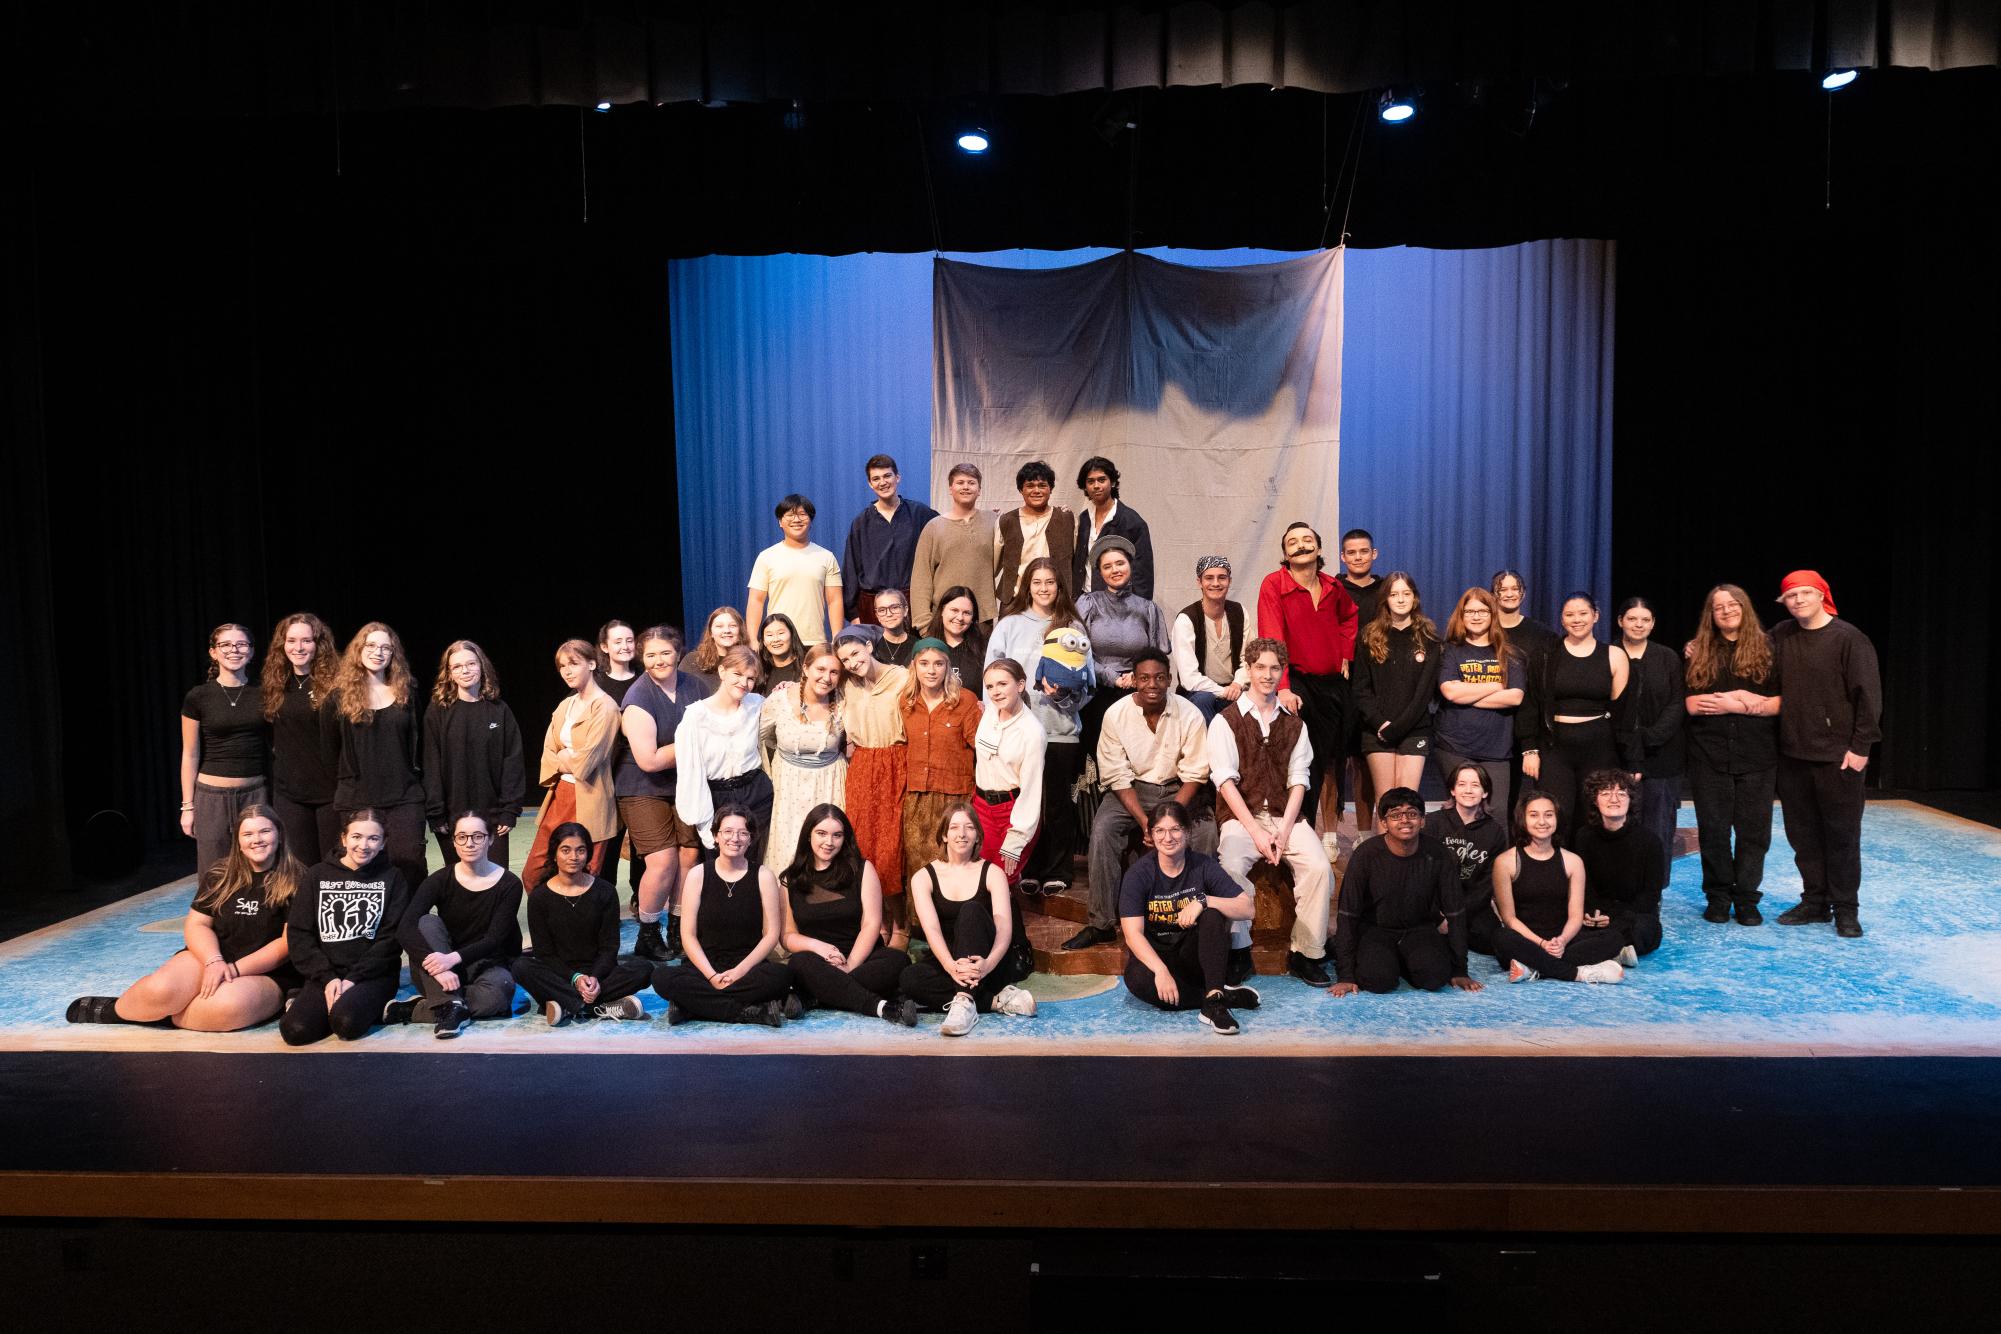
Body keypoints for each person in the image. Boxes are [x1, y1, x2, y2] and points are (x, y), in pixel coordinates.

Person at [67, 804, 302, 1031]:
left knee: (223, 1007)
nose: (256, 839)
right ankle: (118, 1010)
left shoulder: (298, 879)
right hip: (213, 957)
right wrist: (214, 961)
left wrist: (234, 970)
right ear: (238, 843)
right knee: (161, 990)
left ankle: (158, 1017)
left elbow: (286, 944)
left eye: (265, 831)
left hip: (267, 972)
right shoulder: (220, 875)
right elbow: (197, 924)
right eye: (248, 833)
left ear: (279, 835)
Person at [1208, 637, 1336, 988]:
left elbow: (1299, 781)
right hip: (1241, 817)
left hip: (1286, 816)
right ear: (1248, 670)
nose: (1267, 675)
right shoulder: (1226, 721)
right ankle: (1239, 950)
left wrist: (1282, 831)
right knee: (1231, 866)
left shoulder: (1295, 724)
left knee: (1320, 868)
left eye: (1274, 668)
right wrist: (1256, 832)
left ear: (1283, 672)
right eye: (1260, 667)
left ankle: (1306, 953)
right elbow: (1225, 782)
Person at [1067, 649, 1213, 951]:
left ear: (1170, 680)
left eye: (1160, 678)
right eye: (1144, 678)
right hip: (1132, 790)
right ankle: (1102, 923)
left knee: (1205, 833)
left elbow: (1195, 773)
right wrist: (1146, 822)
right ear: (1134, 680)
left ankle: (1199, 914)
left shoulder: (1189, 714)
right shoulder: (1116, 714)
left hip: (1178, 790)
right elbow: (1116, 775)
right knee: (1104, 830)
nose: (1152, 685)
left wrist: (1168, 819)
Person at [1769, 570, 1881, 938]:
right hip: (1793, 755)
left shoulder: (1849, 638)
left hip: (1838, 757)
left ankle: (1846, 909)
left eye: (1805, 593)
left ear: (1822, 596)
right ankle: (1815, 902)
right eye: (1791, 595)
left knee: (1842, 837)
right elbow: (1745, 652)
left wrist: (1861, 747)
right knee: (1803, 837)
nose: (1798, 600)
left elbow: (1869, 696)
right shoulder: (1782, 636)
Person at [987, 556, 1095, 894]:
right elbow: (991, 679)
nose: (1044, 588)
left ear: (1059, 586)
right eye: (1037, 582)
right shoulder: (1009, 624)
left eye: (1050, 582)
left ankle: (1057, 869)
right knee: (1023, 802)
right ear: (1027, 586)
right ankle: (1027, 866)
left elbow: (1089, 685)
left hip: (1060, 730)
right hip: (1017, 732)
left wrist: (1063, 697)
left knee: (1060, 804)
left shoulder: (1073, 627)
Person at [1682, 583, 1782, 926]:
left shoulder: (1769, 649)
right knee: (1713, 830)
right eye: (1718, 607)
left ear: (1745, 607)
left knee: (1754, 832)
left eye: (1732, 604)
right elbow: (1694, 703)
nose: (1725, 611)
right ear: (1710, 614)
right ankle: (1719, 896)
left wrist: (1731, 700)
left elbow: (1779, 703)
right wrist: (1743, 702)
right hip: (1708, 754)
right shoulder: (1699, 651)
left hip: (1758, 755)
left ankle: (1747, 898)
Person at [1118, 801, 1259, 1034]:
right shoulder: (1138, 874)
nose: (1168, 837)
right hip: (1159, 956)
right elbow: (1133, 935)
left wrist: (1204, 901)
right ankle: (1219, 997)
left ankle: (1214, 1001)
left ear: (1187, 832)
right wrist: (1161, 971)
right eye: (1160, 831)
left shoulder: (1202, 865)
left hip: (1195, 956)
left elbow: (1247, 908)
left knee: (1213, 914)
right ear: (1151, 835)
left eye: (1175, 829)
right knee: (1135, 979)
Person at [617, 625, 712, 961]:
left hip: (685, 784)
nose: (659, 660)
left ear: (678, 653)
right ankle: (648, 932)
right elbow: (649, 759)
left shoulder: (694, 686)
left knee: (689, 855)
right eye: (651, 654)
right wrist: (692, 743)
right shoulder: (639, 697)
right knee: (662, 860)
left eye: (666, 653)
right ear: (642, 659)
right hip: (643, 787)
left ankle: (678, 928)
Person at [900, 803, 1038, 1035]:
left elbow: (1004, 929)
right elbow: (932, 930)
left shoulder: (993, 873)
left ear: (977, 836)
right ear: (944, 835)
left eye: (969, 828)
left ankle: (964, 1001)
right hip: (953, 961)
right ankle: (995, 1001)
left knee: (971, 911)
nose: (961, 834)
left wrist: (988, 965)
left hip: (990, 960)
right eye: (954, 827)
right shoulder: (923, 877)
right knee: (909, 979)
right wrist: (951, 967)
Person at [653, 806, 796, 1027]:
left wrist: (739, 972)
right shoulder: (698, 875)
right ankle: (752, 1012)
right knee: (661, 978)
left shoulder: (763, 876)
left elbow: (771, 935)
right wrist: (711, 976)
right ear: (716, 836)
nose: (735, 838)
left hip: (748, 966)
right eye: (728, 831)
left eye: (743, 833)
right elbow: (688, 935)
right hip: (704, 966)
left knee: (782, 976)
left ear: (750, 839)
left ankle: (693, 1007)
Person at [1331, 789, 1482, 997]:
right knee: (1377, 981)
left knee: (1434, 978)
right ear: (1384, 822)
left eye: (1412, 814)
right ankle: (1388, 960)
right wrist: (1346, 975)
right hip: (1376, 929)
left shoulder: (1438, 854)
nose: (1405, 820)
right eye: (1395, 815)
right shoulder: (1366, 855)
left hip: (1419, 928)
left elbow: (1455, 913)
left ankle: (1405, 960)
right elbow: (1347, 914)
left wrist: (1460, 970)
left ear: (1422, 820)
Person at [387, 811, 524, 1039]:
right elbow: (405, 927)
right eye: (462, 837)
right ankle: (449, 1003)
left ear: (490, 839)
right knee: (426, 922)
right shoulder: (439, 879)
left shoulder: (509, 883)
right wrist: (437, 968)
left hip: (484, 964)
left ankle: (423, 1008)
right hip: (441, 971)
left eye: (477, 836)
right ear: (454, 842)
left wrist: (451, 959)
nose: (469, 843)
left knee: (499, 995)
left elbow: (494, 939)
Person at [281, 807, 412, 1044]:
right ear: (344, 838)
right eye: (356, 837)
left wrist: (354, 978)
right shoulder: (317, 875)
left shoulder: (393, 877)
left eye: (373, 838)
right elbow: (300, 933)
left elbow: (391, 939)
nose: (364, 845)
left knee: (346, 1023)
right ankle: (305, 997)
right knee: (295, 1031)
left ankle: (374, 1005)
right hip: (326, 974)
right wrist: (327, 977)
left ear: (383, 843)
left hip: (372, 975)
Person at [1256, 522, 1357, 828]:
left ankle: (1325, 834)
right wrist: (1283, 688)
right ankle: (1299, 832)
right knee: (1303, 763)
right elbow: (1272, 639)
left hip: (1331, 685)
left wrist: (1345, 653)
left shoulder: (1333, 586)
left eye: (1307, 540)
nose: (1301, 545)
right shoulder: (1274, 584)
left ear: (1319, 548)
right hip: (1296, 683)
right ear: (1285, 553)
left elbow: (1349, 616)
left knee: (1331, 760)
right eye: (1293, 542)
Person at [780, 804, 915, 1024]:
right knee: (799, 963)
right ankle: (881, 1007)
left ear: (845, 838)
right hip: (817, 961)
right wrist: (820, 948)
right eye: (821, 834)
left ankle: (817, 995)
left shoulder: (862, 869)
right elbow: (787, 935)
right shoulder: (790, 879)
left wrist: (851, 963)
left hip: (862, 957)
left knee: (897, 960)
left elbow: (871, 924)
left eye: (837, 835)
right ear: (808, 835)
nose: (829, 842)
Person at [514, 822, 652, 1025]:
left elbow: (609, 947)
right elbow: (545, 953)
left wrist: (594, 978)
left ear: (588, 854)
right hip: (559, 974)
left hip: (600, 973)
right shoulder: (540, 897)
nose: (573, 857)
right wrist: (575, 978)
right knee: (520, 966)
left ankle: (566, 1005)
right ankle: (600, 1007)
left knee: (644, 968)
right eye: (566, 850)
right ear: (554, 854)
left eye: (580, 850)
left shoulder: (604, 891)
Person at [1522, 593, 1632, 841]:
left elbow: (1622, 712)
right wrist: (1529, 749)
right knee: (1557, 815)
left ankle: (1589, 877)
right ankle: (1560, 874)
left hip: (1599, 747)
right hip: (1555, 749)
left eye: (1583, 613)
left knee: (1593, 816)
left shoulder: (1614, 655)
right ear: (1561, 619)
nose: (1576, 619)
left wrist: (1630, 759)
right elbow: (1532, 704)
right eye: (1569, 614)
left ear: (1596, 616)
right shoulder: (1546, 655)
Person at [328, 622, 427, 892]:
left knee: (410, 867)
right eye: (371, 645)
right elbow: (331, 748)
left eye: (386, 647)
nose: (378, 652)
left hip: (404, 796)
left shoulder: (407, 692)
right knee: (360, 871)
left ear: (394, 654)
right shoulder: (340, 696)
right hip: (357, 797)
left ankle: (410, 929)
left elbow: (420, 745)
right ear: (358, 650)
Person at [1490, 792, 1625, 984]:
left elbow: (1576, 916)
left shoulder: (1573, 861)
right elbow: (1509, 919)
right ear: (1523, 820)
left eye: (1549, 814)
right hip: (1526, 941)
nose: (1542, 821)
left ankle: (1535, 969)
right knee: (1500, 937)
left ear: (1556, 818)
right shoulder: (1505, 862)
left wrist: (1561, 941)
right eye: (1534, 815)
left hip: (1564, 941)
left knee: (1614, 938)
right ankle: (1579, 973)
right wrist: (1541, 943)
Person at [520, 639, 622, 892]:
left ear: (591, 663)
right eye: (562, 666)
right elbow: (547, 753)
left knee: (585, 874)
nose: (567, 671)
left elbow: (587, 761)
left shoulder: (606, 707)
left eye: (573, 664)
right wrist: (567, 758)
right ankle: (551, 923)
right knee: (534, 872)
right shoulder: (566, 705)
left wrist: (566, 758)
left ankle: (582, 928)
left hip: (590, 798)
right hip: (561, 796)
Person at [420, 639, 526, 872]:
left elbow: (513, 762)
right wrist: (436, 814)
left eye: (471, 664)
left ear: (482, 666)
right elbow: (431, 764)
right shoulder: (438, 712)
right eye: (457, 666)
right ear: (449, 673)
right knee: (459, 885)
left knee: (495, 882)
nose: (465, 670)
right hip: (451, 817)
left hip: (493, 818)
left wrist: (509, 810)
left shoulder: (499, 710)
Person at [835, 628, 911, 940]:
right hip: (863, 766)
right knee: (863, 847)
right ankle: (875, 921)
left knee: (892, 849)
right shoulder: (846, 686)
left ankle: (901, 924)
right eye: (845, 660)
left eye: (854, 653)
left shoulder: (902, 677)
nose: (851, 663)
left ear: (868, 646)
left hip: (896, 763)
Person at [179, 622, 270, 876]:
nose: (234, 650)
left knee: (259, 870)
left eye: (241, 644)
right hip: (211, 797)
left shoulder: (264, 693)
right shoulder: (198, 696)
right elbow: (190, 753)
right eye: (226, 645)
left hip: (255, 794)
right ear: (213, 652)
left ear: (251, 652)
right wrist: (188, 807)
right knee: (214, 873)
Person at [1433, 587, 1525, 828]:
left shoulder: (1510, 654)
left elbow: (1515, 697)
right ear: (1461, 615)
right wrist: (1495, 684)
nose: (1476, 616)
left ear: (1492, 614)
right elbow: (1450, 692)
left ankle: (1498, 867)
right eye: (1470, 611)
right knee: (1458, 813)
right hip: (1454, 745)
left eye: (1482, 611)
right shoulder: (1450, 650)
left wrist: (1467, 693)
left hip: (1496, 748)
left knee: (1496, 815)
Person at [673, 645, 774, 863]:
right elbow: (691, 774)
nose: (744, 683)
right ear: (722, 672)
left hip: (755, 792)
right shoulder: (696, 716)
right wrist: (704, 822)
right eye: (737, 674)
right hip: (717, 796)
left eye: (750, 678)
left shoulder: (757, 704)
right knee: (720, 863)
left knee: (751, 862)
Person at [759, 642, 848, 877]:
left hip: (830, 784)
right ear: (806, 668)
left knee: (827, 850)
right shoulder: (779, 701)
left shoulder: (843, 702)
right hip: (788, 786)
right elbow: (759, 738)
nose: (826, 677)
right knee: (787, 852)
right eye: (820, 669)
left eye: (834, 672)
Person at [1075, 535, 1170, 756]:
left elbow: (1159, 656)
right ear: (1100, 572)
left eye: (1120, 563)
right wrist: (1111, 677)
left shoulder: (1148, 609)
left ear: (1130, 565)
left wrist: (1137, 677)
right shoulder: (1089, 603)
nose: (1115, 570)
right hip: (1096, 691)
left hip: (1139, 689)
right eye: (1107, 566)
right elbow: (1079, 652)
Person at [1352, 572, 1442, 802]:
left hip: (1414, 729)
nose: (1401, 599)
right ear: (1386, 600)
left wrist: (1398, 728)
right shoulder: (1369, 636)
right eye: (1394, 594)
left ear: (1415, 598)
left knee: (1406, 802)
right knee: (1386, 800)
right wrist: (1380, 723)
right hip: (1377, 730)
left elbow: (1424, 694)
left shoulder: (1429, 637)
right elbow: (1361, 689)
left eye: (1406, 593)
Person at [899, 639, 982, 887]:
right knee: (918, 866)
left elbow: (981, 745)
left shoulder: (965, 701)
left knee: (954, 863)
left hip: (954, 795)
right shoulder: (906, 701)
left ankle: (955, 921)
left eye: (938, 664)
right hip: (916, 796)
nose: (931, 670)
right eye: (924, 664)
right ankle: (919, 924)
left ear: (948, 667)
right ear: (914, 667)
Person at [1615, 596, 1686, 884]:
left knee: (1658, 826)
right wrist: (1629, 746)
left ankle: (1653, 890)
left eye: (1645, 620)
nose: (1638, 625)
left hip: (1662, 757)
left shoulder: (1667, 657)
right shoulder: (1607, 652)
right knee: (1618, 824)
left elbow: (1677, 702)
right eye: (1632, 619)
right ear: (1620, 621)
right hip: (1617, 754)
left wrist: (1649, 738)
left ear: (1653, 624)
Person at [261, 611, 340, 865]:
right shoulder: (275, 684)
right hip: (290, 794)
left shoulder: (336, 686)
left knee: (332, 864)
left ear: (319, 645)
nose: (299, 647)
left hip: (332, 792)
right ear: (282, 645)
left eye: (306, 641)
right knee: (299, 867)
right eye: (292, 641)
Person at [1570, 770, 1664, 960]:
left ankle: (1601, 948)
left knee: (1646, 930)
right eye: (1605, 793)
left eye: (1621, 793)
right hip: (1596, 915)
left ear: (1631, 801)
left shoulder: (1650, 841)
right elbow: (1582, 885)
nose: (1614, 799)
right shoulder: (1583, 837)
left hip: (1631, 914)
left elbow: (1650, 895)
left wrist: (1612, 917)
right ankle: (1614, 952)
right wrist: (1591, 912)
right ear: (1595, 800)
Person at [973, 658, 1047, 887]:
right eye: (990, 686)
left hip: (1012, 814)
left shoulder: (1032, 732)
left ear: (1021, 685)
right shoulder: (988, 714)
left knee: (1002, 881)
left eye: (1002, 684)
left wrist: (1017, 838)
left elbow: (1032, 790)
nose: (995, 692)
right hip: (981, 807)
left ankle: (1006, 924)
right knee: (979, 878)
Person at [840, 453, 936, 627]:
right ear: (870, 484)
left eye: (887, 476)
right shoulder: (861, 523)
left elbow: (946, 537)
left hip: (913, 603)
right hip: (872, 606)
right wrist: (854, 614)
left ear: (897, 477)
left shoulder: (920, 514)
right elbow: (851, 569)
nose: (882, 482)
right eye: (876, 478)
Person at [1424, 762, 1510, 959]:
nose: (1468, 790)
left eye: (1476, 785)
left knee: (1498, 942)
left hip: (1470, 907)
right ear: (1453, 790)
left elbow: (1487, 885)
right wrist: (1438, 916)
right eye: (1462, 784)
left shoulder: (1494, 831)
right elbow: (1422, 876)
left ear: (1485, 792)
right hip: (1434, 906)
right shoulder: (1433, 823)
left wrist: (1456, 917)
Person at [745, 493, 845, 648]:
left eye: (802, 514)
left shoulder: (826, 557)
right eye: (790, 515)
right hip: (777, 641)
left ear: (811, 521)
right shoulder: (766, 557)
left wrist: (837, 638)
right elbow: (756, 600)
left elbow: (834, 601)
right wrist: (752, 639)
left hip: (815, 642)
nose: (796, 520)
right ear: (780, 522)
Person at [910, 463, 998, 632]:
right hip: (944, 618)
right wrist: (924, 625)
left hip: (982, 619)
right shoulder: (934, 527)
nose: (966, 487)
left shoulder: (993, 521)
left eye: (971, 483)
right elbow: (921, 579)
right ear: (950, 488)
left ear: (979, 490)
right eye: (960, 482)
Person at [1171, 555, 1250, 723]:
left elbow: (1249, 659)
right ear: (1199, 582)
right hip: (1198, 693)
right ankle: (1210, 747)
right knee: (1204, 700)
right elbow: (1189, 678)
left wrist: (1237, 684)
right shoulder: (1187, 619)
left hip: (1235, 688)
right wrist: (1223, 692)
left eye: (1222, 577)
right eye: (1209, 578)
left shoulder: (1239, 612)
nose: (1216, 583)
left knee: (1261, 698)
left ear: (1229, 581)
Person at [1071, 456, 1155, 599]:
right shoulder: (1084, 518)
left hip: (1119, 603)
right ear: (1085, 486)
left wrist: (1140, 610)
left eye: (1101, 480)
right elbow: (1080, 564)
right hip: (1084, 599)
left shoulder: (1132, 522)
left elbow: (1143, 576)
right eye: (1090, 481)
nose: (1096, 485)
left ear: (1113, 482)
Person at [995, 459, 1075, 607]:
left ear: (1050, 488)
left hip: (1055, 601)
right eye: (1030, 486)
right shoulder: (1007, 521)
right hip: (1015, 600)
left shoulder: (1067, 519)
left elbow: (1076, 560)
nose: (1036, 491)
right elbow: (994, 563)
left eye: (1042, 485)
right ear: (1021, 490)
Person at [924, 586, 988, 689]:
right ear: (942, 611)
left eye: (966, 613)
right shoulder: (924, 648)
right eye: (954, 610)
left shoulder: (984, 650)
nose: (960, 618)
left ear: (973, 618)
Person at [1491, 569, 1558, 661]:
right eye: (1503, 590)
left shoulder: (1540, 633)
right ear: (1492, 595)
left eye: (1515, 589)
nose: (1509, 594)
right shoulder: (1485, 630)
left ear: (1524, 593)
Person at [682, 606, 747, 693]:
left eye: (733, 626)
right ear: (711, 632)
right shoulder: (692, 661)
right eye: (719, 626)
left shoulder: (749, 661)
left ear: (740, 632)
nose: (727, 630)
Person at [1335, 530, 1385, 629]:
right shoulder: (1333, 590)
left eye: (1364, 551)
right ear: (1343, 557)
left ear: (1374, 554)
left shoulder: (1385, 590)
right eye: (1351, 553)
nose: (1358, 557)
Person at [868, 588, 918, 667]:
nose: (889, 614)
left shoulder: (917, 646)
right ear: (877, 616)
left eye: (894, 607)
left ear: (905, 610)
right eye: (882, 610)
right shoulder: (871, 645)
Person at [757, 612, 805, 691]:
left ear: (792, 635)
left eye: (781, 633)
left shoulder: (807, 666)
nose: (776, 639)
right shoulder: (760, 671)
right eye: (769, 635)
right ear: (764, 642)